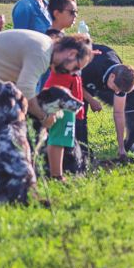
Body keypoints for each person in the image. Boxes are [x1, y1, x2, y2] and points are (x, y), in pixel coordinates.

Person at [0, 29, 91, 124]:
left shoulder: (46, 47)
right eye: (76, 67)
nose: (71, 73)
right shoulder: (42, 53)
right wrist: (43, 117)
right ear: (72, 54)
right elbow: (25, 90)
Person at [42, 39, 94, 180]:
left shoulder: (68, 68)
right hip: (61, 109)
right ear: (71, 55)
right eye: (77, 67)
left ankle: (60, 172)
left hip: (69, 110)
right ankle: (56, 175)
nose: (76, 71)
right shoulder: (60, 73)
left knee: (65, 143)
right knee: (58, 141)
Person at [82, 43, 134, 164]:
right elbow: (72, 80)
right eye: (116, 88)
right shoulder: (93, 66)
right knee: (79, 120)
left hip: (96, 81)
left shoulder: (122, 78)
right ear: (112, 76)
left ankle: (83, 153)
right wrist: (91, 100)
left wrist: (121, 147)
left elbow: (118, 113)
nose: (117, 92)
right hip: (75, 76)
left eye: (120, 91)